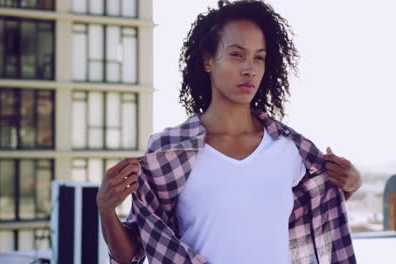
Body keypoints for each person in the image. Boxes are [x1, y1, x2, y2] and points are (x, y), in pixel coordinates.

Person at [97, 1, 362, 263]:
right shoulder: (168, 150)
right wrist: (106, 208)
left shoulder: (290, 149)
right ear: (208, 61)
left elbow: (321, 214)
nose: (250, 69)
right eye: (237, 54)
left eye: (259, 57)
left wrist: (351, 184)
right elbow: (132, 253)